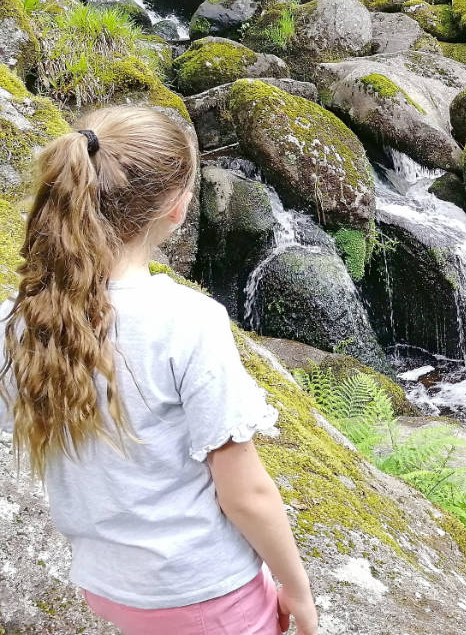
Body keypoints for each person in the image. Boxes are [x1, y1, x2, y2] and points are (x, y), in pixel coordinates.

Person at [0, 107, 318, 635]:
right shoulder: (187, 321)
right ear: (175, 209)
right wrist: (296, 588)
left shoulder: (18, 317)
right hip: (204, 591)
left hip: (109, 586)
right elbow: (245, 494)